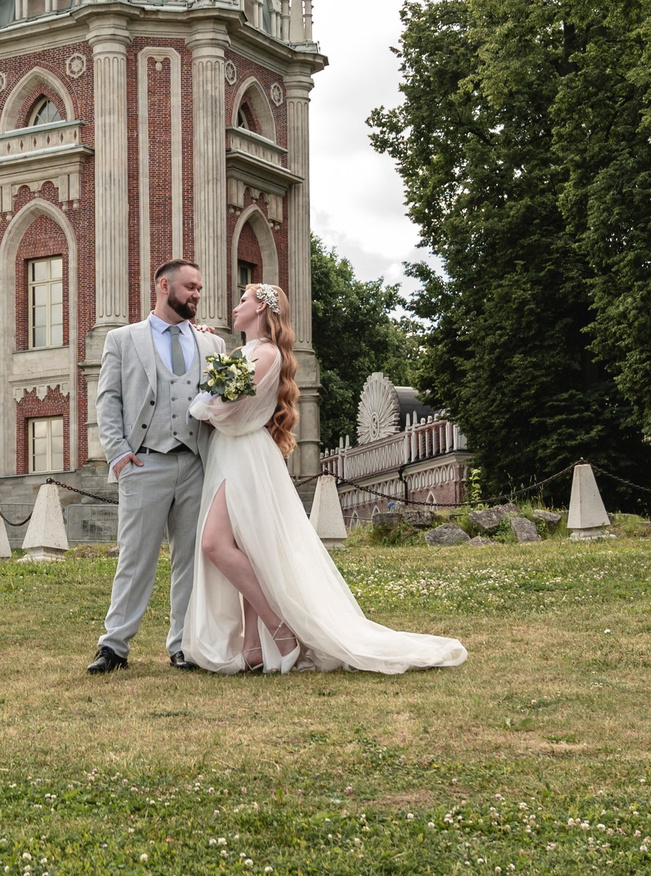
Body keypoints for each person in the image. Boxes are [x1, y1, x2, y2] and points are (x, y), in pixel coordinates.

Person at [183, 282, 468, 675]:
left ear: (262, 309)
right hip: (233, 452)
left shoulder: (265, 355)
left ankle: (280, 629)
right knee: (247, 547)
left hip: (245, 454)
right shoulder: (246, 353)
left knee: (215, 543)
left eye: (243, 301)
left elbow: (230, 413)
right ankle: (253, 647)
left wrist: (203, 406)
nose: (235, 307)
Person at [88, 259, 217, 673]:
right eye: (190, 287)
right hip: (144, 462)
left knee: (190, 560)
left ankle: (183, 645)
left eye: (199, 288)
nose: (197, 294)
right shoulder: (123, 339)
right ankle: (114, 647)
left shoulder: (212, 344)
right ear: (164, 286)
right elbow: (108, 399)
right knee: (135, 558)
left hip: (196, 463)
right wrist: (118, 454)